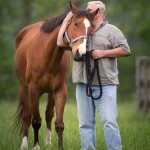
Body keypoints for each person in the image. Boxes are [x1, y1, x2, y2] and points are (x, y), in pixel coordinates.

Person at [57, 1, 131, 150]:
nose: (86, 11)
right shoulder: (80, 29)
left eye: (90, 10)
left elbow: (126, 50)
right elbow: (59, 43)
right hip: (83, 84)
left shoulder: (112, 30)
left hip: (106, 83)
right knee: (85, 123)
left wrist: (104, 53)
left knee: (109, 121)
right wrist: (66, 20)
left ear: (100, 12)